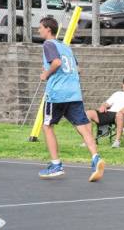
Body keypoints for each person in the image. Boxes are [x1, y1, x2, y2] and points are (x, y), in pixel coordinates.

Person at [37, 17, 105, 182]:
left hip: (57, 94)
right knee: (82, 127)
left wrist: (46, 74)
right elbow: (77, 68)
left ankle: (56, 164)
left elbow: (57, 62)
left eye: (40, 28)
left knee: (47, 126)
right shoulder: (66, 47)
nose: (38, 30)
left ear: (48, 29)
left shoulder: (48, 44)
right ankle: (96, 157)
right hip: (74, 93)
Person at [85, 76, 124, 148]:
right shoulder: (117, 93)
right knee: (88, 113)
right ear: (122, 84)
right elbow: (107, 103)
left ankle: (117, 141)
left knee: (119, 114)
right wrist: (103, 106)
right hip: (110, 113)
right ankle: (89, 141)